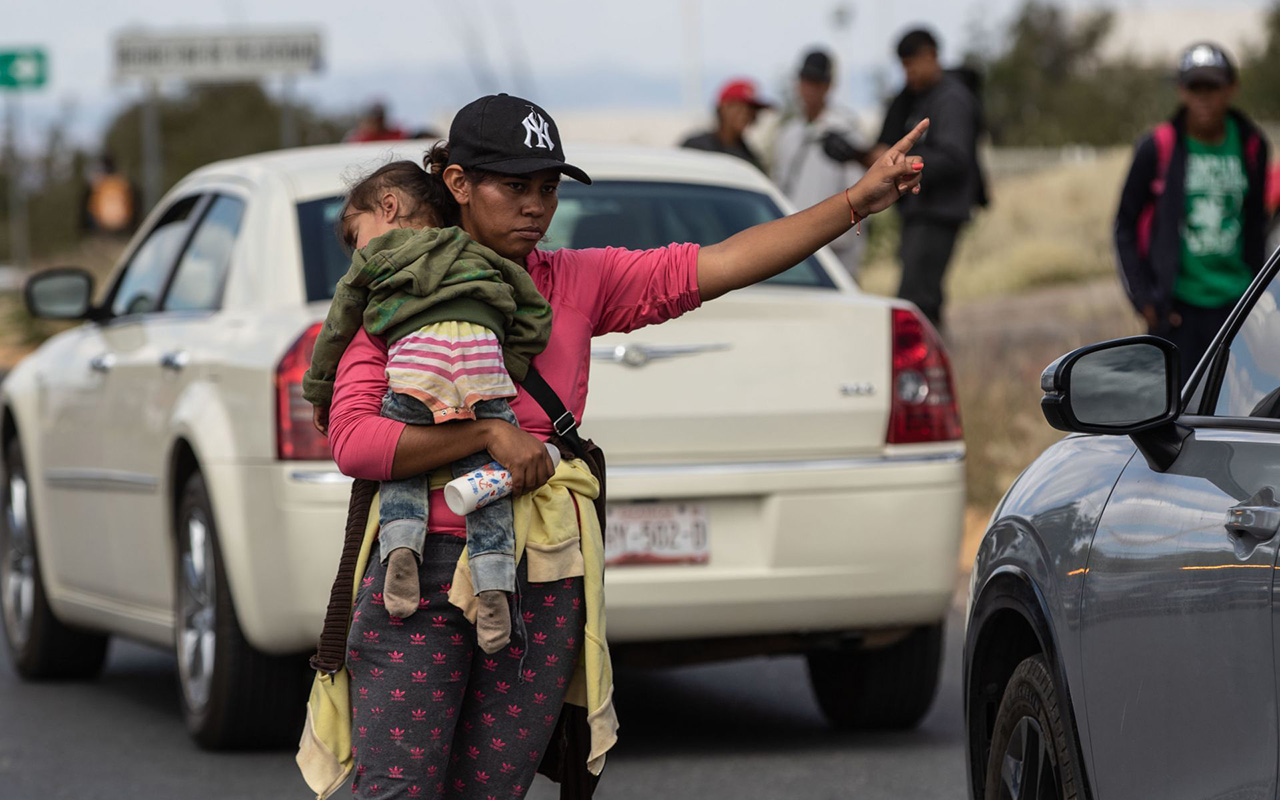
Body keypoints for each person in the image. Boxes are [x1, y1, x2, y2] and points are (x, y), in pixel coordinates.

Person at [304, 92, 928, 800]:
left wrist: (856, 201)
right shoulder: (401, 287)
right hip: (415, 580)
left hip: (543, 576)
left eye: (546, 188)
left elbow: (719, 264)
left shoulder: (577, 281)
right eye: (514, 187)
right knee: (400, 792)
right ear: (457, 185)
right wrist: (485, 433)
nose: (536, 206)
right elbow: (355, 442)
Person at [302, 160, 555, 653]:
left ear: (388, 208)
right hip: (484, 367)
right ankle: (495, 586)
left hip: (419, 366)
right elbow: (533, 310)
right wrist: (510, 365)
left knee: (403, 454)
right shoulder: (479, 254)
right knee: (489, 483)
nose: (359, 249)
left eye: (357, 236)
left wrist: (320, 389)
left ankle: (400, 552)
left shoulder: (379, 259)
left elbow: (339, 323)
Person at [1115, 42, 1269, 381]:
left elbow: (1257, 224)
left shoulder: (1252, 144)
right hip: (1178, 314)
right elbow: (1124, 226)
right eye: (1195, 87)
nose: (1204, 98)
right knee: (1179, 419)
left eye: (1212, 87)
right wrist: (1145, 301)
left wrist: (1260, 298)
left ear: (1231, 89)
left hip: (1238, 308)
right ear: (1181, 91)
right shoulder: (1157, 147)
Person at [871, 28, 983, 329]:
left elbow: (954, 157)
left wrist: (904, 165)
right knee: (923, 299)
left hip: (939, 213)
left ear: (932, 55)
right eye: (904, 66)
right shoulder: (918, 98)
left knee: (916, 301)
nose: (910, 73)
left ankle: (925, 369)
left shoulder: (952, 99)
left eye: (913, 64)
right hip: (920, 212)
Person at [774, 48, 872, 280]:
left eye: (816, 82)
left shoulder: (846, 128)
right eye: (806, 81)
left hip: (837, 245)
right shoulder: (789, 133)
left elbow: (860, 190)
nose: (809, 89)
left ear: (828, 85)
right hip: (795, 243)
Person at [680, 78, 772, 170]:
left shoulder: (750, 158)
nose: (748, 115)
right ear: (724, 108)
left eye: (753, 110)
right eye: (741, 108)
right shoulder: (696, 147)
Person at [80, 154, 139, 236]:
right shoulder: (124, 183)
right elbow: (133, 205)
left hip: (104, 227)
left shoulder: (98, 186)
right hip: (123, 226)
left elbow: (91, 208)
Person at [345, 101, 410, 143]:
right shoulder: (356, 140)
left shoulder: (397, 135)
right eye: (371, 120)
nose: (376, 123)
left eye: (379, 120)